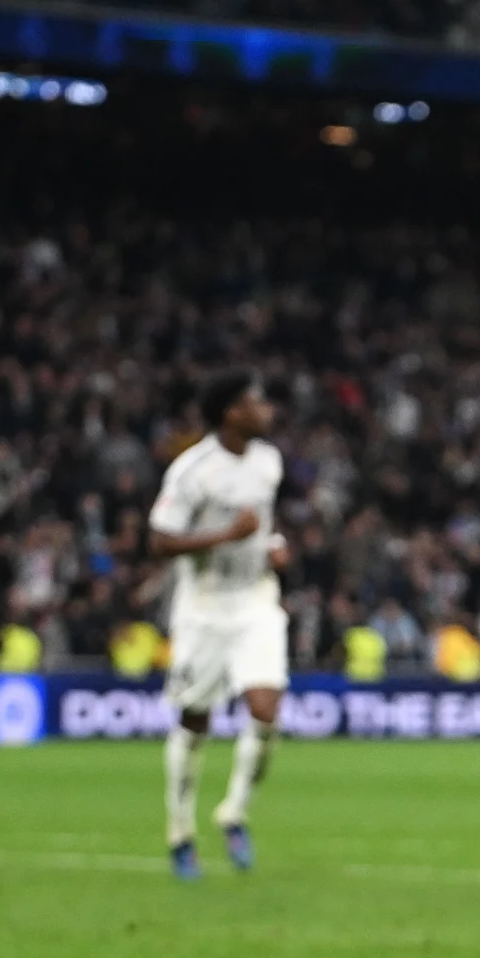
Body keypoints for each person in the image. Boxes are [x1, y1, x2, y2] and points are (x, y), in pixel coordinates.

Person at [148, 371, 291, 879]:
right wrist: (226, 535)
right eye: (256, 402)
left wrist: (271, 546)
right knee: (195, 720)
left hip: (255, 599)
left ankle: (232, 812)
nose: (266, 409)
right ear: (231, 412)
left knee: (266, 710)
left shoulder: (269, 462)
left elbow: (264, 525)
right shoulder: (193, 471)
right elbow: (160, 541)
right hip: (204, 607)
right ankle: (181, 829)